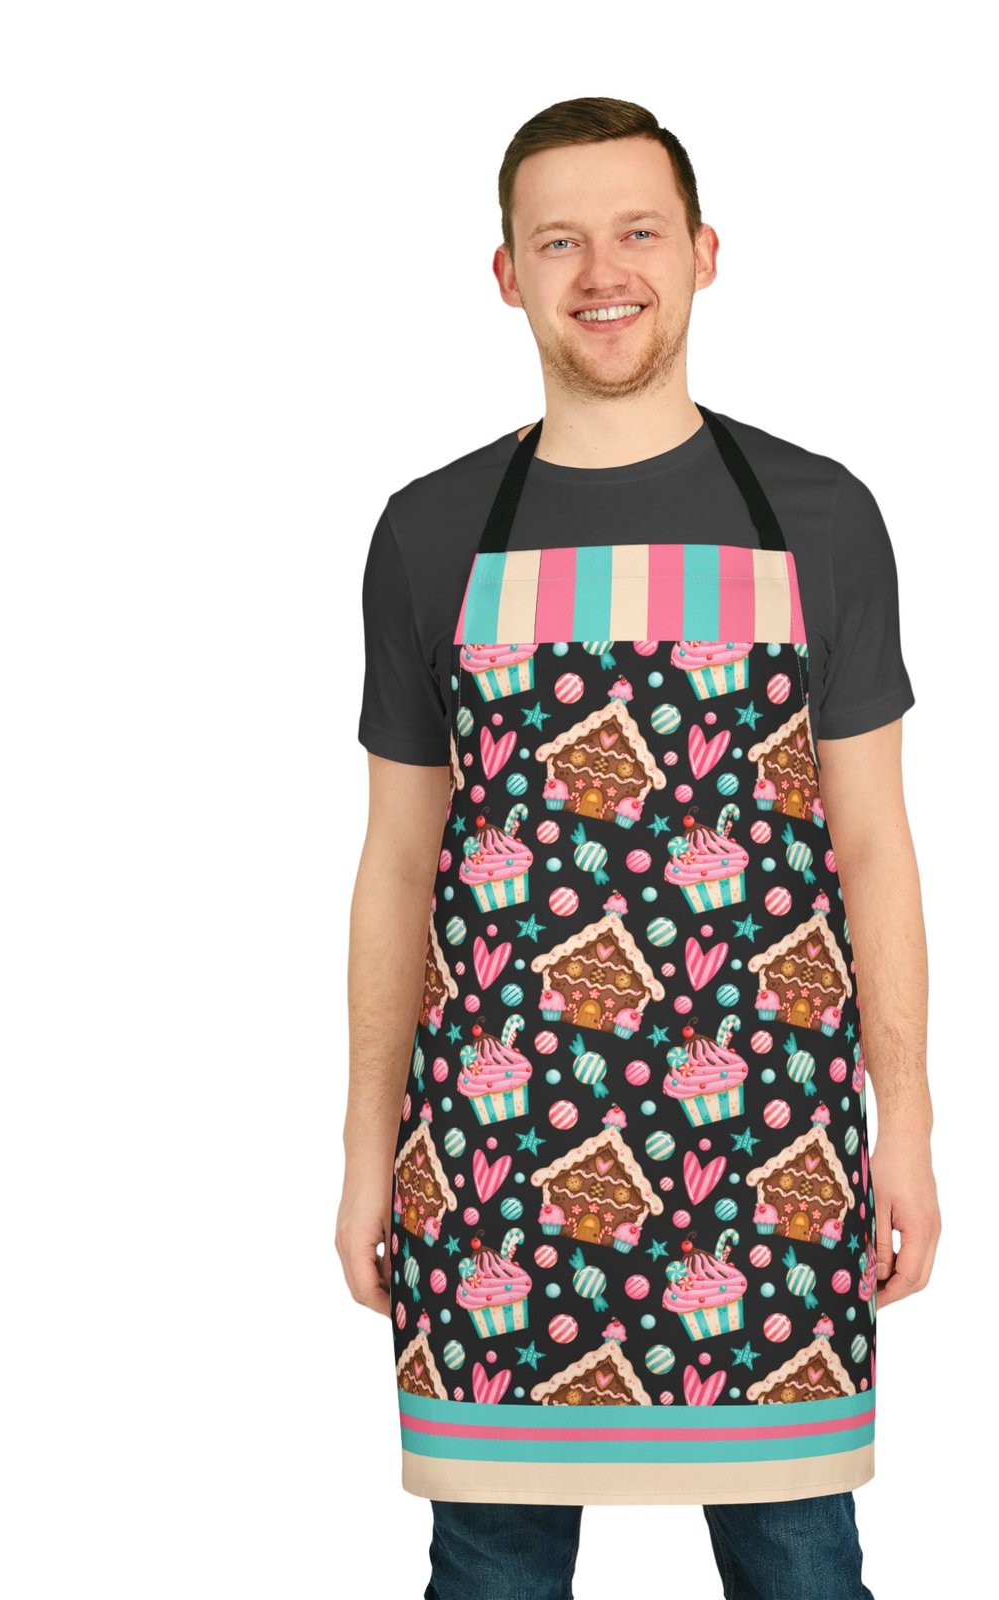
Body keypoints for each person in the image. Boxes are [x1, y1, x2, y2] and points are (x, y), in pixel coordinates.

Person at [337, 97, 938, 1600]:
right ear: (507, 274)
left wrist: (910, 1125)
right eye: (559, 241)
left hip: (775, 1157)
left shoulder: (822, 518)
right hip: (492, 1159)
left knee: (802, 1566)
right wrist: (364, 1153)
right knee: (489, 1571)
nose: (602, 271)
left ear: (704, 253)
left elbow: (873, 844)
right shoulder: (428, 532)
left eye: (637, 232)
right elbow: (399, 864)